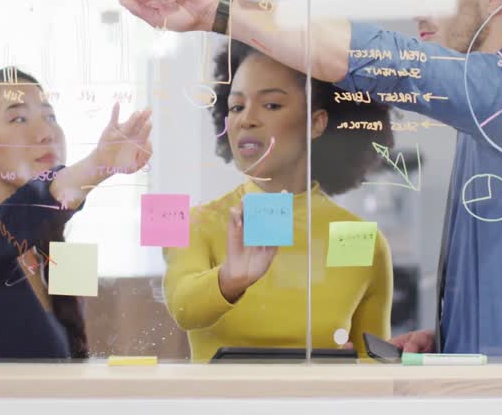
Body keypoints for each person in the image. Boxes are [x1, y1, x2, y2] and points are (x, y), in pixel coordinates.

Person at [114, 0, 502, 359]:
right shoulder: (492, 116)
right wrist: (452, 337)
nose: (418, 9)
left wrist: (218, 10)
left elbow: (376, 59)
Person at [163, 41, 394, 361]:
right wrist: (229, 281)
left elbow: (374, 368)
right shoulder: (197, 222)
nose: (246, 120)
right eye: (236, 107)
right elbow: (182, 308)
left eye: (271, 105)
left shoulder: (358, 238)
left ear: (316, 123)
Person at [0, 69, 152, 360]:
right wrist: (98, 164)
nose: (46, 133)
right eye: (19, 119)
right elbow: (20, 219)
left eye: (50, 116)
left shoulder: (58, 253)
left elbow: (81, 362)